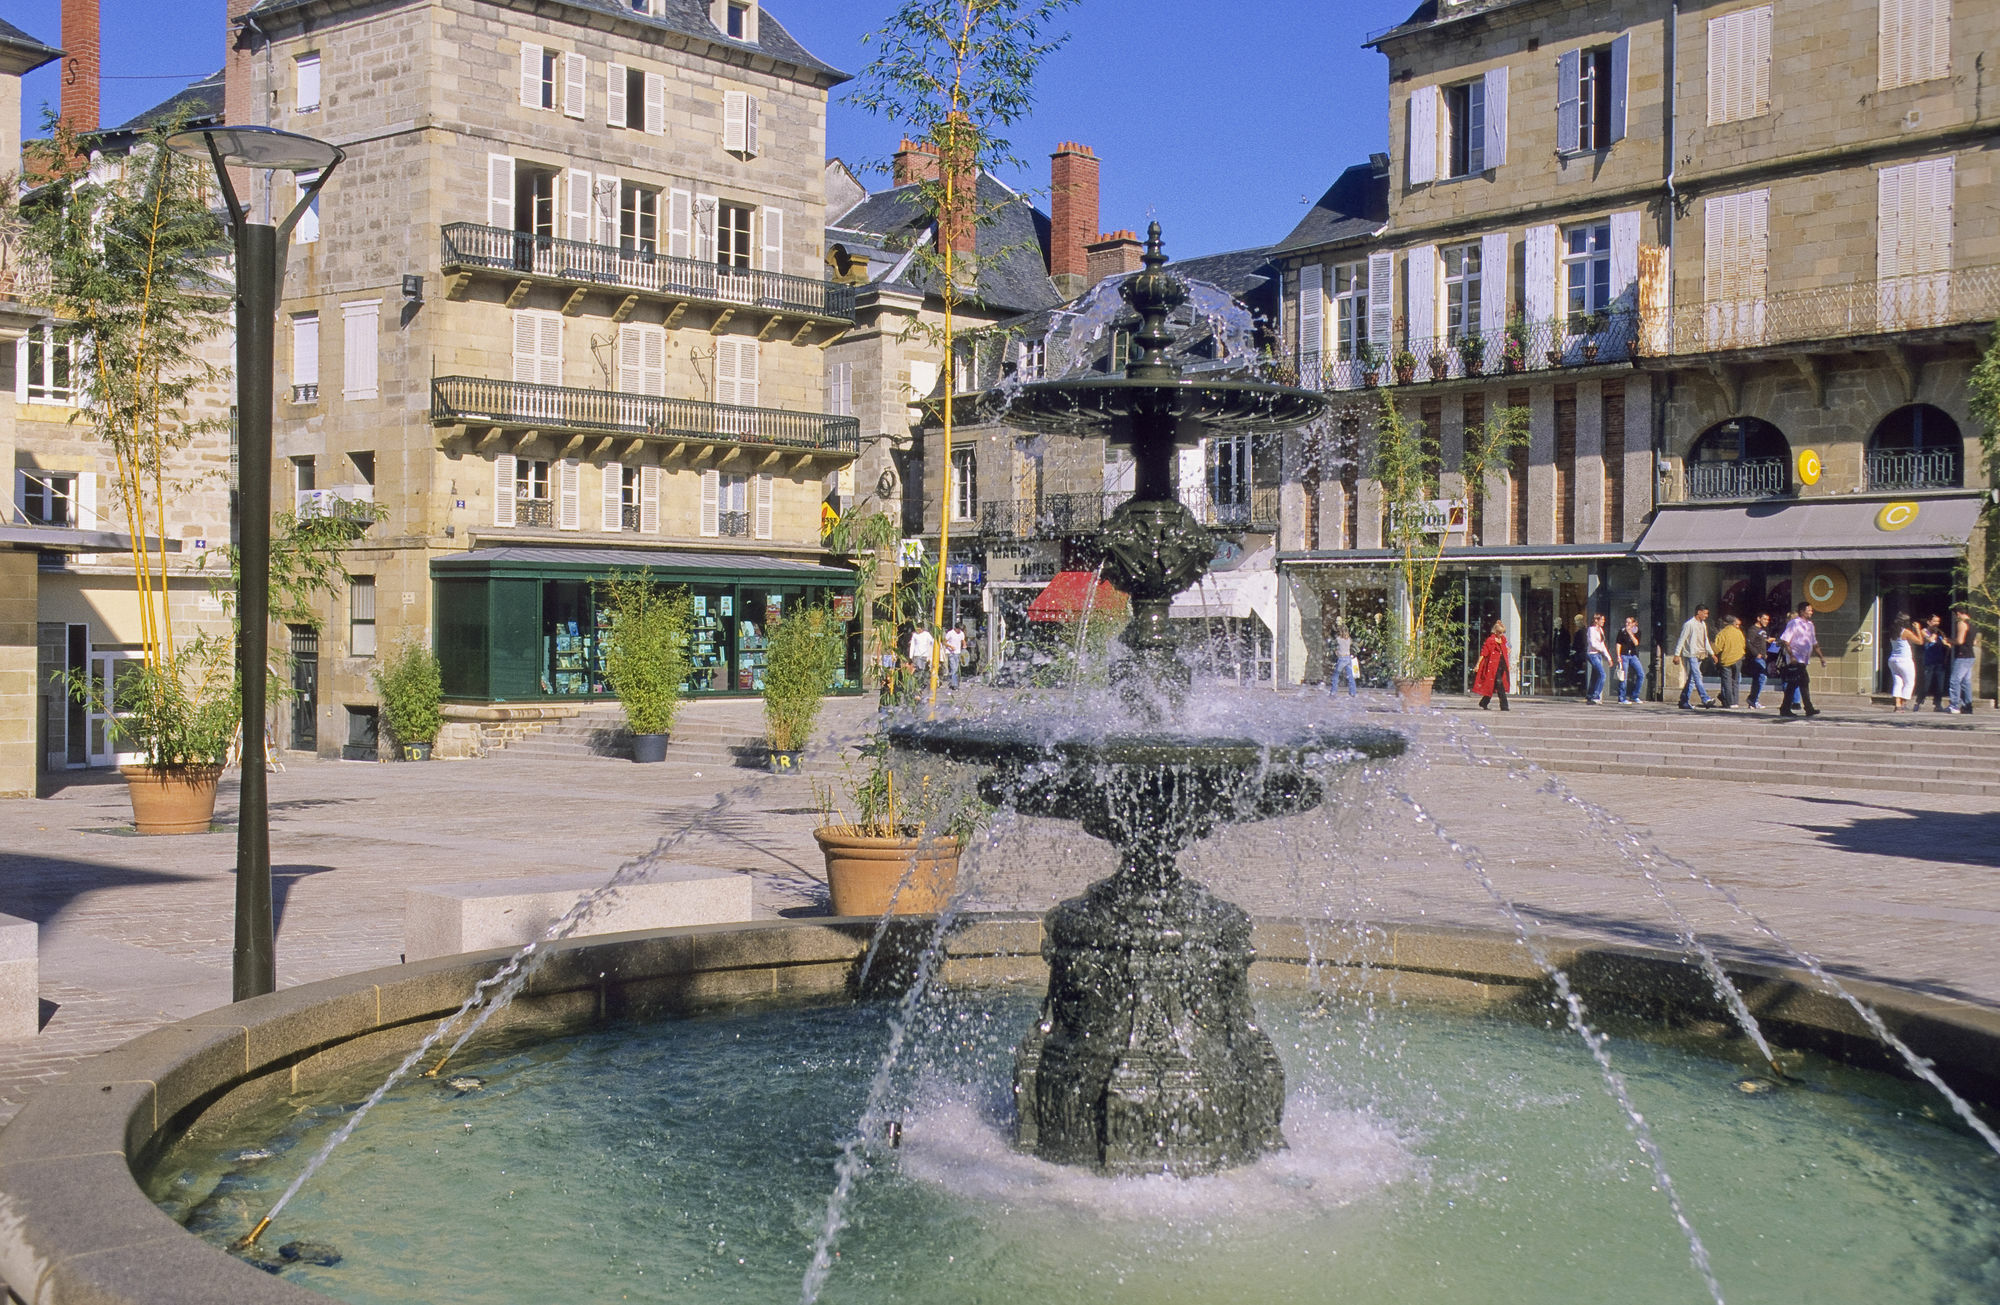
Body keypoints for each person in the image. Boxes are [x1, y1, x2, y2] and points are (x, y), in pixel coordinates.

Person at [1779, 602, 1827, 719]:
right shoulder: (1794, 623)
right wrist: (1792, 656)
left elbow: (1814, 643)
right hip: (1796, 659)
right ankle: (1804, 708)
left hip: (1804, 659)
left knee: (1797, 683)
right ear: (1801, 611)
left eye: (1811, 610)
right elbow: (1786, 640)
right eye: (1809, 610)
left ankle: (1788, 708)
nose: (1811, 612)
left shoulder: (1810, 625)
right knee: (1801, 682)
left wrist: (1821, 657)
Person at [1675, 604, 1717, 709]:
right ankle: (1705, 698)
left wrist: (1712, 653)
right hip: (1692, 654)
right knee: (1698, 676)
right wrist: (1677, 654)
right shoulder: (1689, 624)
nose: (1706, 616)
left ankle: (1684, 700)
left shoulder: (1703, 625)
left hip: (1700, 654)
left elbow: (1705, 640)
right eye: (1705, 613)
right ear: (1699, 612)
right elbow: (1682, 639)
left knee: (1693, 678)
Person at [1887, 612, 1921, 711]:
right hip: (1904, 660)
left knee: (1898, 682)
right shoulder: (1905, 632)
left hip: (1893, 660)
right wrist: (1917, 629)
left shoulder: (1893, 631)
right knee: (1909, 682)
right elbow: (1919, 641)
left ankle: (1897, 705)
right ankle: (1903, 703)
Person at [1473, 619, 1510, 710]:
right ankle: (1504, 706)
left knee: (1493, 684)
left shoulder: (1503, 639)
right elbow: (1484, 653)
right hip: (1493, 666)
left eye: (1503, 633)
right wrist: (1477, 664)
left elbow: (1507, 647)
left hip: (1501, 665)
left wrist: (1508, 651)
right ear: (1496, 632)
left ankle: (1484, 702)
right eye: (1500, 633)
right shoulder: (1490, 640)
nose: (1502, 634)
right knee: (1499, 683)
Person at [1712, 615, 1747, 708]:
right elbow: (1743, 645)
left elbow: (1717, 648)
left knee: (1727, 682)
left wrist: (1711, 647)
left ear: (1725, 623)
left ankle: (1729, 702)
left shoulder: (1722, 633)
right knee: (1735, 681)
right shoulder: (1739, 633)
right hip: (1738, 658)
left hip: (1726, 660)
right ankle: (1735, 701)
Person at [1950, 607, 1978, 714]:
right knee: (1966, 681)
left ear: (1958, 614)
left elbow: (1960, 640)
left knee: (1955, 680)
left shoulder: (1962, 623)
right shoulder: (1973, 624)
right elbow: (1974, 642)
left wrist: (1949, 641)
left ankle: (1955, 705)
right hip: (1971, 655)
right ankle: (1967, 705)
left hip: (1962, 655)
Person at [1922, 614, 1952, 711]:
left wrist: (1947, 644)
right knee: (1926, 683)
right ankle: (1920, 701)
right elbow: (1929, 639)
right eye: (1934, 621)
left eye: (1938, 621)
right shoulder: (1924, 631)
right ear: (1929, 622)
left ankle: (1938, 704)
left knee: (1940, 684)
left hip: (1939, 661)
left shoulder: (1940, 633)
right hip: (1929, 661)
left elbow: (1945, 643)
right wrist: (1934, 634)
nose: (1936, 624)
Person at [1742, 613, 1772, 708]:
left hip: (1763, 657)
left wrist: (1766, 646)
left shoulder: (1763, 631)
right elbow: (1749, 643)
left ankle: (1753, 700)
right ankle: (1753, 699)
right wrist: (1756, 654)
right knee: (1762, 677)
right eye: (1764, 619)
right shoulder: (1752, 630)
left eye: (1767, 620)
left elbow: (1761, 642)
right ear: (1758, 618)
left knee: (1758, 678)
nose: (1766, 621)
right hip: (1757, 658)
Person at [1616, 615, 1646, 703]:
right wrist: (1618, 656)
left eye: (1629, 622)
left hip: (1633, 655)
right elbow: (1618, 644)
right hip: (1624, 655)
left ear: (1634, 623)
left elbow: (1636, 643)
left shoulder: (1637, 632)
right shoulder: (1622, 632)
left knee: (1641, 674)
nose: (1627, 624)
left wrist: (1630, 633)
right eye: (1626, 622)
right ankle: (1622, 697)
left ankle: (1635, 695)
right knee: (1623, 676)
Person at [1583, 613, 1612, 704]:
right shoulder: (1591, 630)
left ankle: (1590, 695)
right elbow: (1592, 643)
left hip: (1598, 654)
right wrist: (1601, 650)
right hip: (1592, 654)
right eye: (1601, 620)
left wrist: (1608, 657)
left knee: (1595, 675)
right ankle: (1596, 696)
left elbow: (1603, 644)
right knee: (1602, 674)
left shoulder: (1601, 630)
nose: (1603, 621)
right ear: (1596, 620)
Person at [1330, 623, 1359, 698]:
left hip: (1341, 659)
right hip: (1348, 658)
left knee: (1335, 676)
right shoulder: (1349, 639)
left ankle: (1333, 691)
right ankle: (1353, 692)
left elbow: (1332, 645)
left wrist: (1335, 651)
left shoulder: (1338, 639)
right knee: (1350, 676)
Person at [942, 623, 967, 690]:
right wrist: (950, 646)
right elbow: (944, 642)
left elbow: (963, 640)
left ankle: (952, 682)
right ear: (955, 628)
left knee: (955, 668)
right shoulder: (950, 633)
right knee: (954, 668)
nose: (959, 631)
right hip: (951, 653)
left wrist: (964, 645)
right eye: (958, 629)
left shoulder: (961, 633)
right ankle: (955, 685)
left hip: (958, 652)